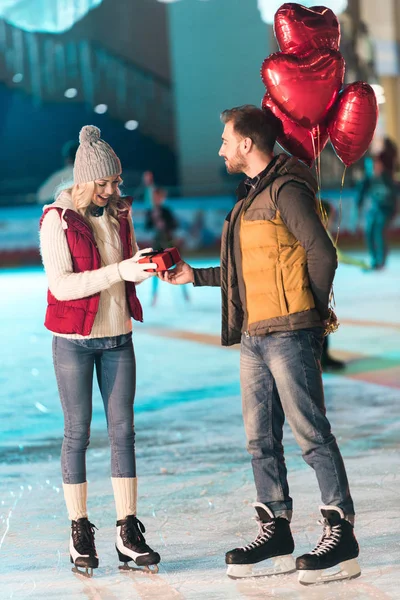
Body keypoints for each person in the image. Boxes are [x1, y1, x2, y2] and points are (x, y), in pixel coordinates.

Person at [159, 106, 360, 585]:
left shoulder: (285, 189)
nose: (222, 148)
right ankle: (275, 528)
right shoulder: (251, 195)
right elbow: (248, 272)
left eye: (227, 140)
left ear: (248, 143)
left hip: (288, 331)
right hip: (255, 335)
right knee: (260, 440)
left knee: (311, 433)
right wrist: (195, 276)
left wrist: (306, 314)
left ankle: (341, 531)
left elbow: (321, 253)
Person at [39, 125, 161, 577]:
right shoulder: (58, 219)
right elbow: (62, 285)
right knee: (78, 434)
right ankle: (79, 531)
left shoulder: (119, 213)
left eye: (117, 183)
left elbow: (121, 270)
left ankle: (127, 531)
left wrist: (141, 269)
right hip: (74, 343)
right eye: (107, 183)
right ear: (86, 180)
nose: (115, 191)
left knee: (123, 433)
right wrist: (119, 272)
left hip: (118, 338)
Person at [145, 186, 189, 306]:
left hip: (169, 241)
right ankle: (154, 295)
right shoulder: (150, 211)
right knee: (155, 268)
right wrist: (154, 222)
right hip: (158, 242)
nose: (157, 199)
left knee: (178, 264)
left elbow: (174, 224)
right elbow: (147, 226)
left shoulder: (166, 211)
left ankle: (184, 291)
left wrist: (165, 224)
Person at [357, 152, 398, 270]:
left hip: (386, 209)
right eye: (370, 167)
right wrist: (358, 209)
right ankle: (375, 258)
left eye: (375, 165)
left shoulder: (387, 178)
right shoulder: (368, 179)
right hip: (375, 209)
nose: (374, 169)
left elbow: (394, 196)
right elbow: (360, 194)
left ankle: (381, 259)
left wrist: (394, 210)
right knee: (369, 230)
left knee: (379, 230)